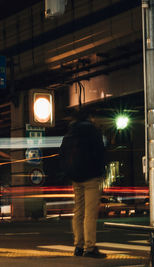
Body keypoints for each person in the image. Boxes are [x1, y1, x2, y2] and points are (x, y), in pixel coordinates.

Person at [59, 108, 106, 258]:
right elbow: (101, 152)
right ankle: (90, 247)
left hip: (75, 177)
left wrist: (69, 172)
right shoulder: (93, 131)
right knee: (90, 213)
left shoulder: (69, 133)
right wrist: (101, 172)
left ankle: (78, 246)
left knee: (78, 211)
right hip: (91, 177)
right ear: (89, 117)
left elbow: (62, 155)